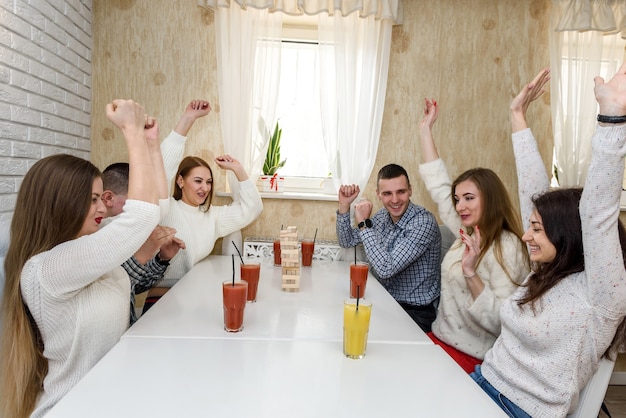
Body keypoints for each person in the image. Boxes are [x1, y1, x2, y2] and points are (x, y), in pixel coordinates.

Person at [471, 67, 626, 418]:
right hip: (481, 382)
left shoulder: (600, 295)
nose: (527, 235)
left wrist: (612, 121)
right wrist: (516, 116)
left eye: (537, 229)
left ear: (566, 233)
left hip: (519, 410)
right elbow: (533, 190)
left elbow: (598, 214)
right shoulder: (545, 269)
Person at [0, 99, 165, 418]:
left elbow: (156, 209)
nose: (103, 208)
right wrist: (130, 130)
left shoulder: (87, 245)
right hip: (72, 408)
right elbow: (143, 216)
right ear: (62, 204)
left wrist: (150, 143)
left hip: (105, 399)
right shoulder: (47, 268)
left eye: (101, 198)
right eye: (92, 200)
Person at [417, 99, 530, 373]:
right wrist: (425, 128)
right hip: (440, 343)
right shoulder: (467, 231)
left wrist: (471, 274)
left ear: (490, 200)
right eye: (458, 199)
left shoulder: (508, 247)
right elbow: (439, 184)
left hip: (473, 361)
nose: (460, 206)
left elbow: (502, 322)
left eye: (469, 198)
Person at [143, 100, 264, 311]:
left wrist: (239, 170)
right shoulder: (164, 207)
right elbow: (160, 170)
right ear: (180, 181)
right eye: (198, 181)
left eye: (208, 182)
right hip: (162, 299)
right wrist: (188, 119)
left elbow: (252, 209)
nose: (205, 188)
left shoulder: (213, 217)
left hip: (193, 296)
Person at [336, 164, 441, 332]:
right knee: (343, 323)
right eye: (387, 193)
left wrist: (363, 223)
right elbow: (346, 241)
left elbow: (386, 268)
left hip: (415, 312)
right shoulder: (382, 216)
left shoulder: (423, 223)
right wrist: (344, 206)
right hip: (385, 300)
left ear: (410, 191)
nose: (394, 200)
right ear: (378, 195)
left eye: (401, 191)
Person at [101, 162, 185, 324]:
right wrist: (143, 254)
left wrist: (162, 259)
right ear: (109, 198)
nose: (140, 211)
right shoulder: (95, 239)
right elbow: (116, 290)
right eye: (135, 204)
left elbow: (135, 287)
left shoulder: (123, 234)